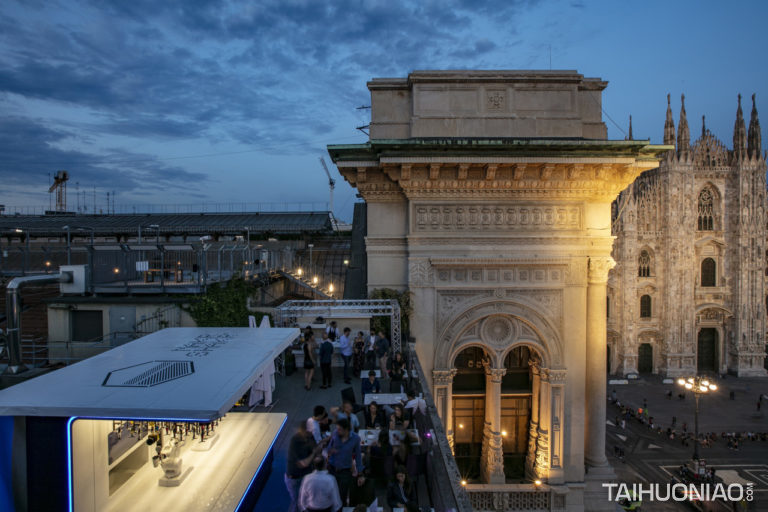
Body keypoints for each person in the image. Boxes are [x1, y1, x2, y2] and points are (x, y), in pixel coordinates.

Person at [285, 421, 328, 512]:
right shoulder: (295, 441)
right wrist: (314, 452)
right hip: (295, 479)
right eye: (309, 432)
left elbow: (316, 451)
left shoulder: (310, 437)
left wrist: (321, 445)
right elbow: (304, 463)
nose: (311, 434)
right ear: (303, 430)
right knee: (298, 503)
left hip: (305, 477)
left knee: (306, 501)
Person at [327, 418, 363, 507]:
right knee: (331, 494)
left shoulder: (355, 439)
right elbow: (329, 448)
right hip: (332, 469)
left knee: (342, 495)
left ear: (346, 429)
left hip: (345, 471)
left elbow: (358, 456)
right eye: (337, 428)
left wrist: (360, 473)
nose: (337, 431)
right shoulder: (335, 434)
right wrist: (331, 450)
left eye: (339, 429)